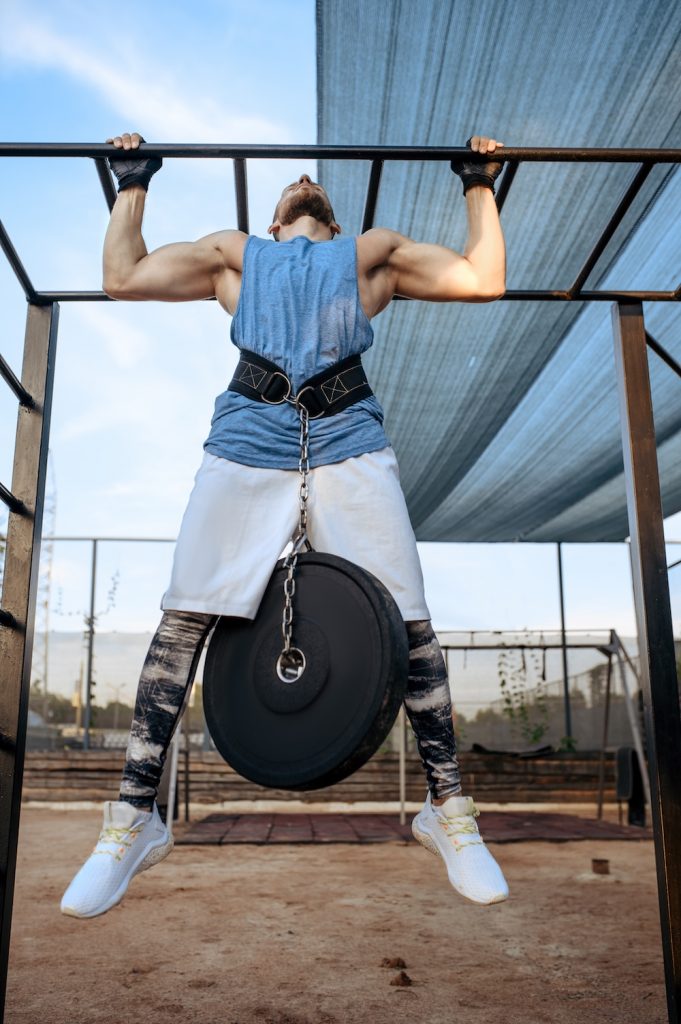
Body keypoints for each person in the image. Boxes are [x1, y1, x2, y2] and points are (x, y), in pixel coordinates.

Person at [61, 131, 509, 919]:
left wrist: (478, 184)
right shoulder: (235, 256)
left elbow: (482, 280)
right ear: (274, 225)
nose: (303, 179)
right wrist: (133, 181)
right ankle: (133, 816)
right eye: (290, 186)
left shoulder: (371, 255)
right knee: (184, 617)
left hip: (350, 442)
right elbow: (121, 277)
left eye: (313, 186)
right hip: (246, 440)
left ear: (330, 226)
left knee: (410, 625)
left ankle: (446, 809)